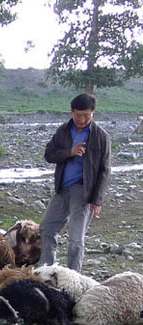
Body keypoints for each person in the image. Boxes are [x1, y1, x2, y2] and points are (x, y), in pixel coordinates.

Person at [39, 93, 111, 272]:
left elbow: (105, 169)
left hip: (84, 192)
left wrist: (97, 200)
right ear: (72, 112)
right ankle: (47, 272)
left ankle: (73, 278)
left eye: (87, 115)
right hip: (61, 189)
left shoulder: (101, 136)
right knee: (46, 230)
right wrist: (69, 152)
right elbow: (49, 154)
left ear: (93, 113)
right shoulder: (63, 131)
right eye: (78, 115)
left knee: (76, 240)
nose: (82, 119)